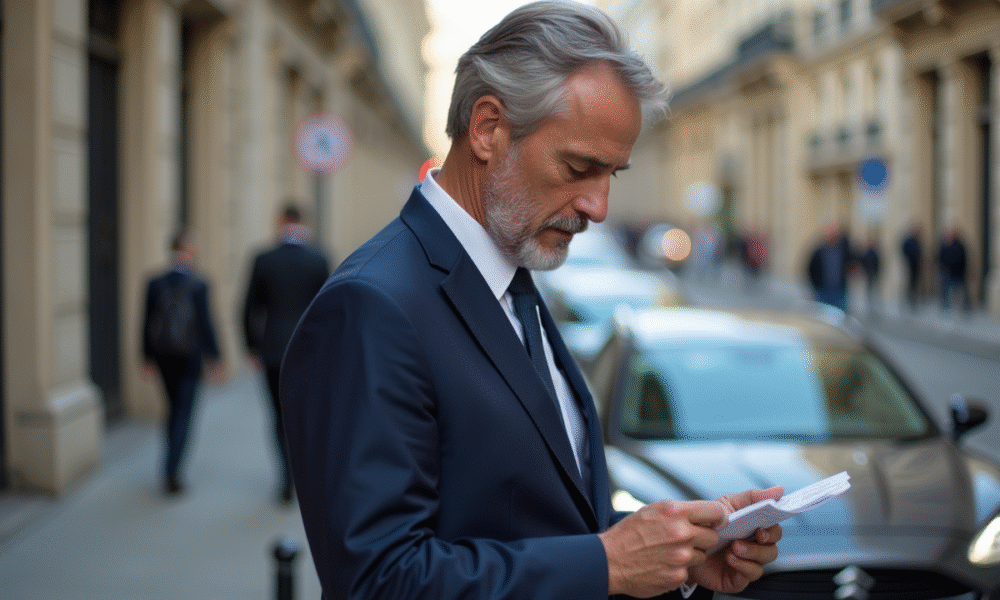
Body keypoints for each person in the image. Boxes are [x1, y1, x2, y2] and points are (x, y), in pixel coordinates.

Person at [280, 3, 782, 599]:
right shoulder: (371, 307)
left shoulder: (510, 273)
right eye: (578, 167)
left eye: (611, 175)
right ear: (488, 128)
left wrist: (674, 548)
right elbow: (379, 581)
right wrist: (609, 564)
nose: (597, 206)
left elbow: (531, 524)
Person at [242, 203, 330, 503]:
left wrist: (251, 347)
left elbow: (248, 307)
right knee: (303, 416)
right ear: (302, 222)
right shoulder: (318, 260)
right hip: (308, 350)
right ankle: (302, 476)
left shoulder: (263, 259)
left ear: (281, 221)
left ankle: (285, 478)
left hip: (273, 350)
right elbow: (328, 309)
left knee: (278, 416)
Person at [142, 229, 224, 494]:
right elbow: (206, 324)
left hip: (164, 357)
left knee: (172, 409)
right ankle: (172, 470)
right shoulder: (199, 283)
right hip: (190, 358)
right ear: (188, 249)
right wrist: (216, 358)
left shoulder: (155, 282)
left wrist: (145, 356)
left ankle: (169, 462)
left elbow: (145, 322)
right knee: (184, 413)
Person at [807, 222, 854, 312]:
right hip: (823, 291)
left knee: (839, 315)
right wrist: (816, 286)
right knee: (823, 315)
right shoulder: (819, 251)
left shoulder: (844, 251)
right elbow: (810, 269)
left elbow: (851, 264)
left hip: (839, 291)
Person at [938, 225, 969, 312]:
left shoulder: (959, 246)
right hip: (948, 273)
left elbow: (964, 259)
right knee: (947, 292)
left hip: (958, 273)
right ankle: (947, 309)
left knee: (958, 292)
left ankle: (959, 309)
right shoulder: (945, 245)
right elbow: (941, 258)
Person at [900, 223, 923, 310]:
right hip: (909, 265)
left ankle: (914, 300)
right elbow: (904, 250)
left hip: (916, 265)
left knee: (915, 283)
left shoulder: (917, 240)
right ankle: (907, 299)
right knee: (908, 283)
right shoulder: (908, 240)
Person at [857, 232, 881, 315]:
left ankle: (873, 306)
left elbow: (878, 263)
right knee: (869, 289)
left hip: (873, 273)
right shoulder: (867, 252)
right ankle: (869, 305)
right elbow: (863, 261)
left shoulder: (874, 252)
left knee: (872, 290)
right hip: (869, 272)